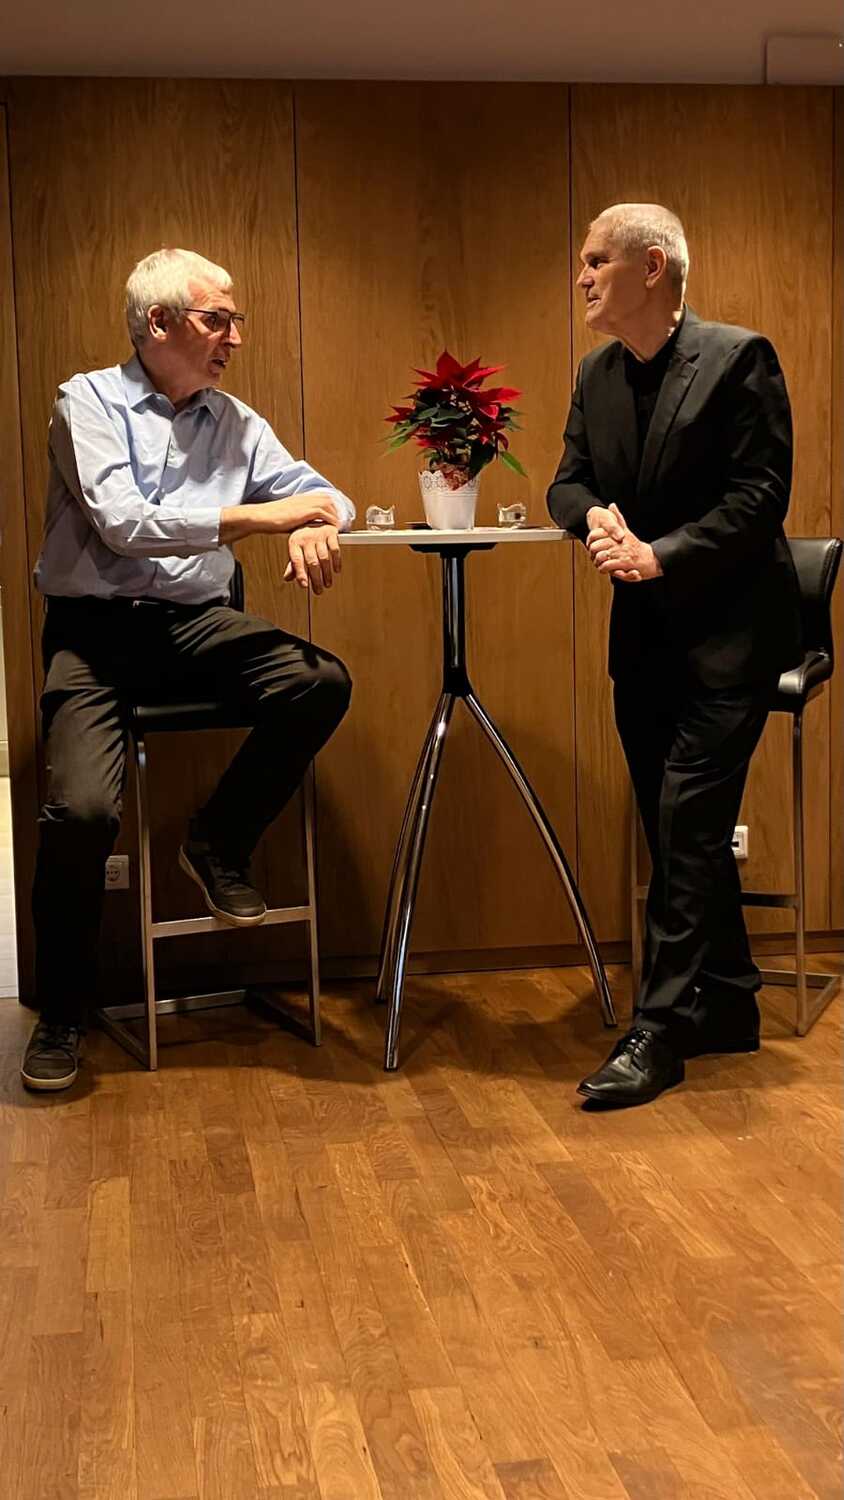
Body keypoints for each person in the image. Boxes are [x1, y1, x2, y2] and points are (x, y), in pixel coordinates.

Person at [21, 247, 354, 1091]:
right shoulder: (85, 401)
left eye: (236, 321)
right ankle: (62, 1014)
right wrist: (268, 518)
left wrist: (320, 521)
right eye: (218, 320)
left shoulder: (235, 420)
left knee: (318, 681)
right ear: (159, 323)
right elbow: (126, 524)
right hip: (93, 639)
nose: (235, 338)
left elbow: (325, 492)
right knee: (82, 813)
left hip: (195, 626)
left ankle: (217, 841)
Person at [547, 203, 802, 1108]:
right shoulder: (596, 373)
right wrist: (596, 519)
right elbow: (566, 481)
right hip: (646, 640)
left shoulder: (738, 358)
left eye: (595, 261)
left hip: (734, 634)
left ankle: (657, 1031)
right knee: (671, 826)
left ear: (651, 268)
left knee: (689, 822)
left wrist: (662, 554)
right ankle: (728, 1000)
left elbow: (760, 496)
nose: (582, 277)